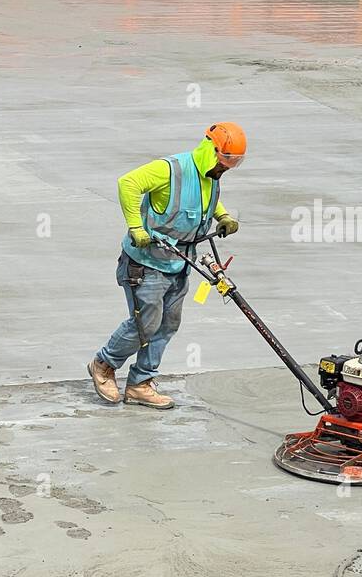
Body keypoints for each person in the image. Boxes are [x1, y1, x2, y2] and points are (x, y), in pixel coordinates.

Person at [88, 122, 246, 409]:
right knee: (144, 325)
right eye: (225, 162)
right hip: (145, 264)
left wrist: (222, 216)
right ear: (210, 150)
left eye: (231, 164)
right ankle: (103, 364)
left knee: (167, 324)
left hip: (180, 263)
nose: (226, 169)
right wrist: (136, 226)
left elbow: (204, 201)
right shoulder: (170, 169)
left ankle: (140, 383)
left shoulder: (210, 174)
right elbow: (128, 183)